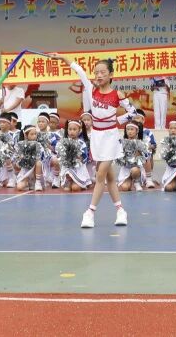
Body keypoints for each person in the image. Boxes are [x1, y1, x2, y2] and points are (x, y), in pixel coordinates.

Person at [48, 54, 137, 228]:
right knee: (109, 177)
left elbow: (133, 112)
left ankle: (89, 212)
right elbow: (79, 70)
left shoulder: (117, 94)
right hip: (96, 137)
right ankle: (121, 210)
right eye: (96, 72)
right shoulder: (91, 90)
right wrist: (62, 58)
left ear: (111, 75)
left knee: (100, 174)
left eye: (103, 72)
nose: (99, 75)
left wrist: (117, 120)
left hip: (111, 137)